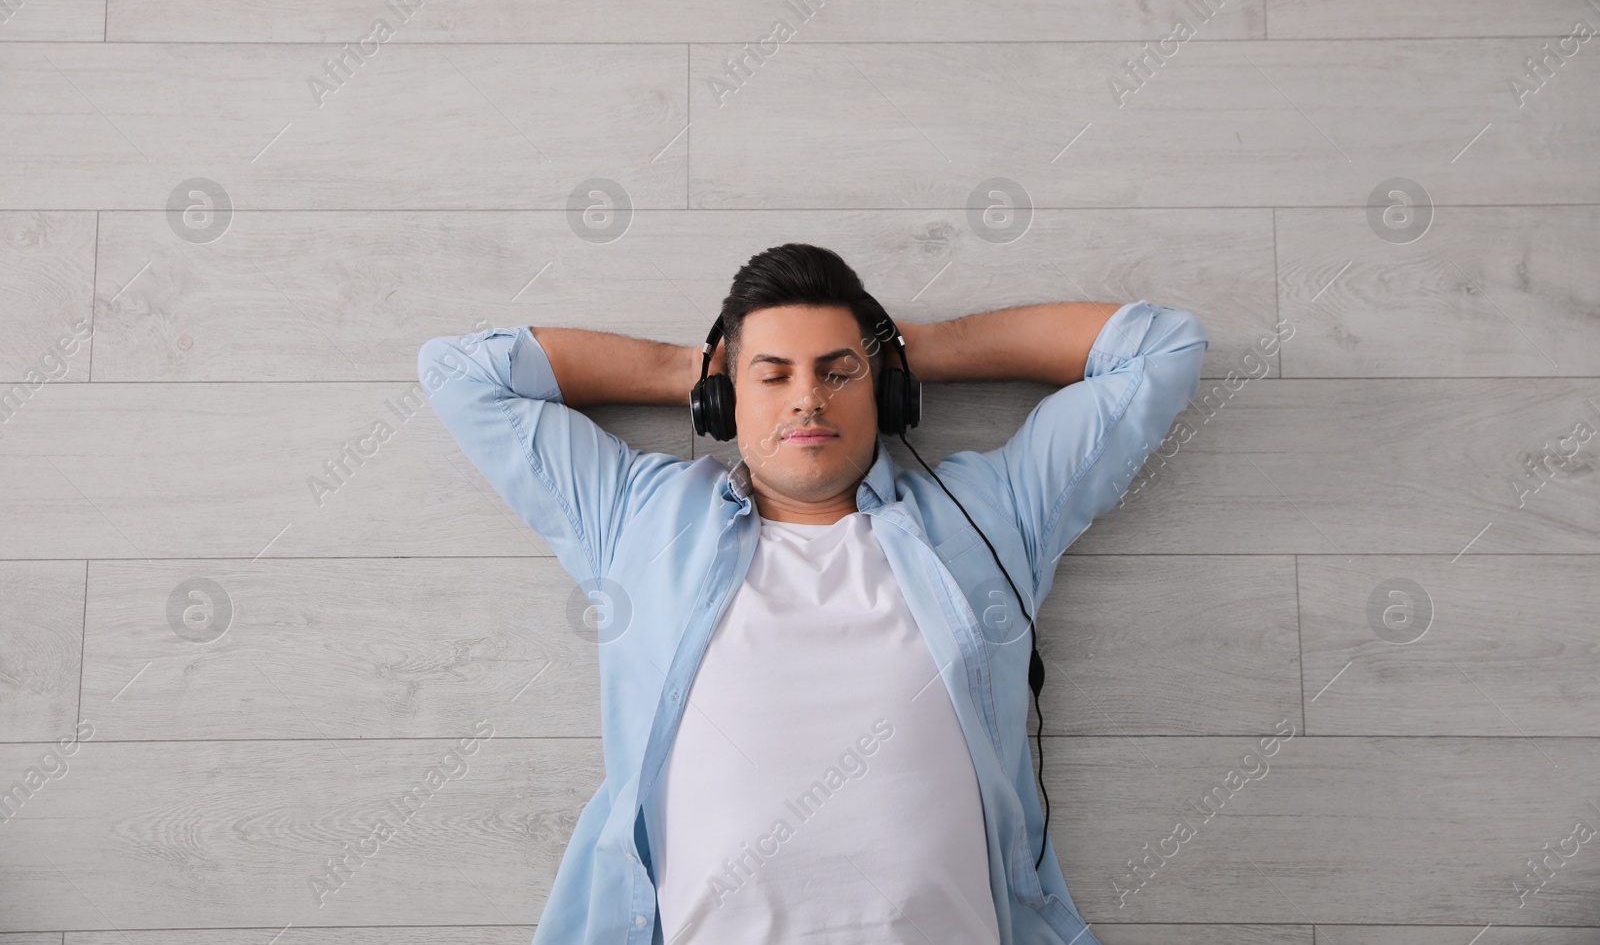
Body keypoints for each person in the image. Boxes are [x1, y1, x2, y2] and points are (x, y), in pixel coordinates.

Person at [418, 242, 1208, 944]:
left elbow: (1160, 349)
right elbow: (462, 373)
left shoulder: (991, 512)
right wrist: (693, 368)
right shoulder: (638, 514)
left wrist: (903, 350)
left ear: (884, 394)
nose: (808, 398)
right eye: (775, 374)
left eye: (838, 371)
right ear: (728, 396)